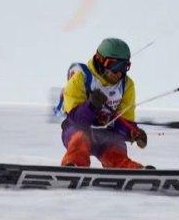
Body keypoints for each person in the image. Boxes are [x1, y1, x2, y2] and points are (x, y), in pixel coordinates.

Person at [60, 38, 148, 169]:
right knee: (80, 139)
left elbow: (124, 119)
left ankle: (127, 169)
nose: (118, 72)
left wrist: (132, 132)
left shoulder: (126, 85)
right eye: (113, 65)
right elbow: (75, 119)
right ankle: (73, 165)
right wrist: (91, 106)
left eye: (124, 67)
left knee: (115, 149)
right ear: (100, 60)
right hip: (79, 129)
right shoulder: (80, 79)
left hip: (107, 133)